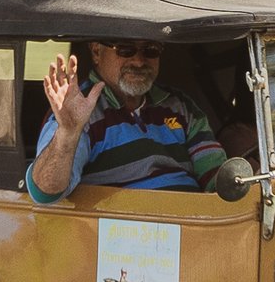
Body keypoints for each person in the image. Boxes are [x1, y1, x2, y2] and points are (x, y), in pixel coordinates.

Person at [27, 41, 228, 200]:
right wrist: (67, 134)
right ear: (96, 52)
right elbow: (45, 193)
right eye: (125, 50)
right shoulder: (77, 111)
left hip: (193, 229)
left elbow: (218, 180)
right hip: (119, 236)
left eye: (150, 50)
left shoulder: (181, 106)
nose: (139, 62)